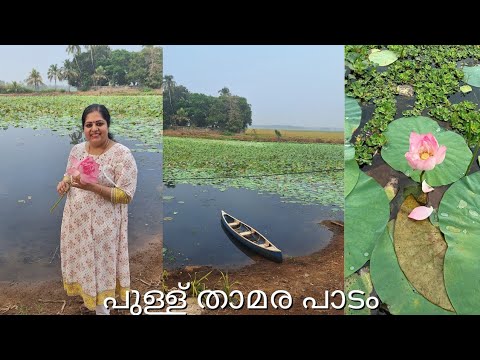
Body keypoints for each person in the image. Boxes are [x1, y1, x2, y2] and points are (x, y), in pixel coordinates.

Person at [56, 104, 138, 315]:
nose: (94, 129)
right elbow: (70, 174)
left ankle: (102, 309)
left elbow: (126, 196)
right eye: (89, 124)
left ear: (107, 125)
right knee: (83, 264)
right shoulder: (77, 150)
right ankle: (90, 299)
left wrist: (92, 186)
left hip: (104, 229)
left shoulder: (122, 155)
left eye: (99, 124)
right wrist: (64, 183)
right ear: (83, 128)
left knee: (100, 269)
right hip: (77, 224)